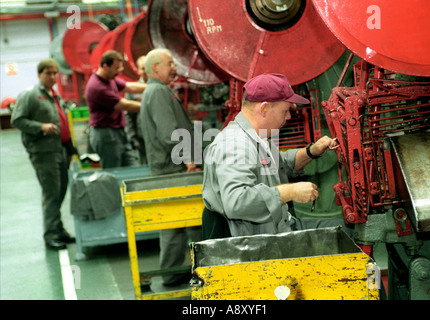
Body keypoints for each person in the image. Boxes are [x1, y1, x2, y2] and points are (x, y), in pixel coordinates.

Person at [202, 73, 347, 239]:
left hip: (277, 226)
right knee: (343, 237)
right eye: (285, 111)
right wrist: (289, 192)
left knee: (344, 231)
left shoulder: (257, 137)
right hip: (255, 241)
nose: (288, 116)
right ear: (264, 108)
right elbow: (237, 201)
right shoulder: (235, 144)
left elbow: (280, 164)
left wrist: (312, 151)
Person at [140, 48, 202, 286]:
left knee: (174, 224)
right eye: (169, 64)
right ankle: (174, 272)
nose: (174, 68)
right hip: (171, 167)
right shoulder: (157, 93)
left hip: (167, 165)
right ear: (155, 68)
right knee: (176, 222)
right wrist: (187, 158)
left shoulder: (157, 91)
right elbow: (168, 134)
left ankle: (173, 272)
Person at [11, 58, 76, 250]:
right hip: (44, 152)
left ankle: (59, 229)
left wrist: (70, 150)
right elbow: (17, 120)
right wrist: (41, 127)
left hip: (61, 150)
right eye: (48, 73)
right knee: (51, 194)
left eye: (55, 73)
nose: (53, 76)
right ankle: (51, 235)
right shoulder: (30, 95)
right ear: (40, 74)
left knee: (61, 190)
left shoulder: (55, 95)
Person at [85, 50, 147, 169]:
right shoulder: (97, 87)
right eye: (116, 68)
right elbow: (125, 105)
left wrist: (154, 86)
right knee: (114, 173)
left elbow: (129, 86)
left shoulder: (109, 78)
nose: (119, 71)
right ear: (105, 66)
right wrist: (150, 106)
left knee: (132, 169)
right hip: (106, 134)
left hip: (118, 132)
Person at [124, 55, 147, 165]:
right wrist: (132, 137)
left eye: (147, 67)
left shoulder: (163, 86)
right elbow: (128, 116)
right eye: (142, 68)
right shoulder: (133, 90)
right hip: (142, 138)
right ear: (138, 70)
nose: (145, 71)